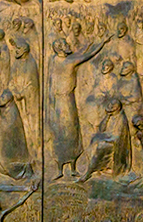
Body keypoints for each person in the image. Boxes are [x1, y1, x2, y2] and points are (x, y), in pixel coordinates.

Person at [45, 35, 110, 179]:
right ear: (59, 49)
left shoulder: (58, 60)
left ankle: (72, 167)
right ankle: (60, 168)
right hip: (61, 101)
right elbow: (86, 55)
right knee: (63, 133)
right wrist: (100, 42)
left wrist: (92, 43)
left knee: (70, 132)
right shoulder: (64, 61)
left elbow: (81, 54)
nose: (67, 44)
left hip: (65, 100)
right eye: (64, 43)